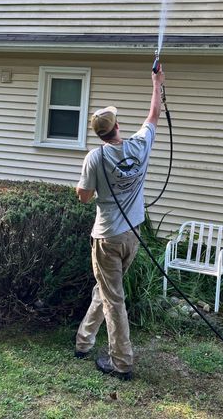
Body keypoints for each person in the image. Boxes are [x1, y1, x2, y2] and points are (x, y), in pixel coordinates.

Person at [75, 66, 165, 381]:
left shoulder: (94, 158)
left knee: (113, 298)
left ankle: (121, 363)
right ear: (117, 127)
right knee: (106, 290)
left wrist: (81, 188)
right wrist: (157, 84)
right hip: (132, 236)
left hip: (107, 237)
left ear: (99, 133)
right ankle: (84, 342)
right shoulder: (140, 146)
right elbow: (154, 115)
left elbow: (84, 197)